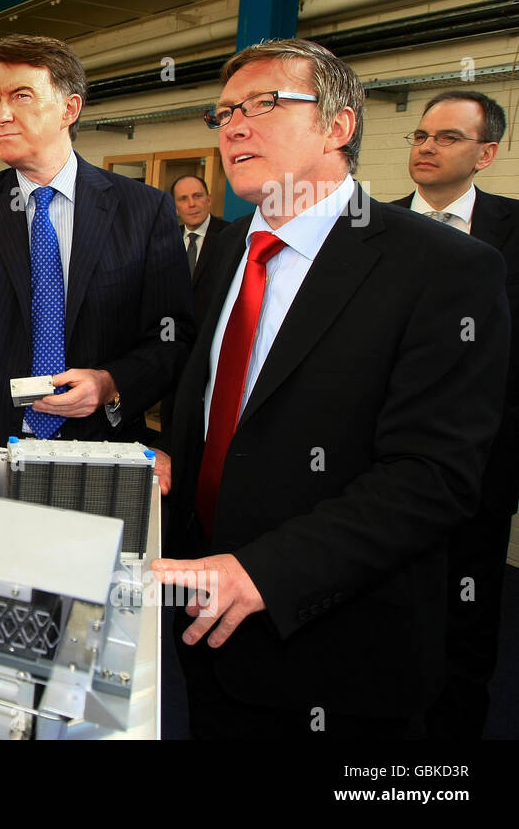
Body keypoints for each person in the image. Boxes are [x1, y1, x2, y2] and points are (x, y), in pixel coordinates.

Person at [154, 39, 510, 738]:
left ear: (339, 127)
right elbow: (218, 393)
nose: (235, 125)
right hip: (202, 618)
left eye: (265, 104)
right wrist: (181, 460)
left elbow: (430, 476)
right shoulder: (228, 247)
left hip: (332, 642)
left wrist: (265, 573)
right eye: (225, 111)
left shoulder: (443, 267)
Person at [0, 34, 193, 446]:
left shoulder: (144, 211)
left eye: (21, 96)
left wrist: (111, 382)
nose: (1, 114)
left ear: (69, 108)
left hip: (92, 445)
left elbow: (171, 336)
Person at [389, 89, 519, 738]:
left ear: (487, 152)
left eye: (447, 137)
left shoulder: (514, 230)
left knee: (468, 607)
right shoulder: (369, 230)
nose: (426, 147)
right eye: (419, 135)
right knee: (382, 606)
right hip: (378, 463)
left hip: (480, 467)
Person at [170, 174, 230, 322]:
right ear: (175, 207)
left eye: (197, 196)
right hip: (174, 331)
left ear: (208, 200)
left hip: (211, 331)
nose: (191, 204)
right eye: (183, 199)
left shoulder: (231, 235)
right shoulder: (166, 239)